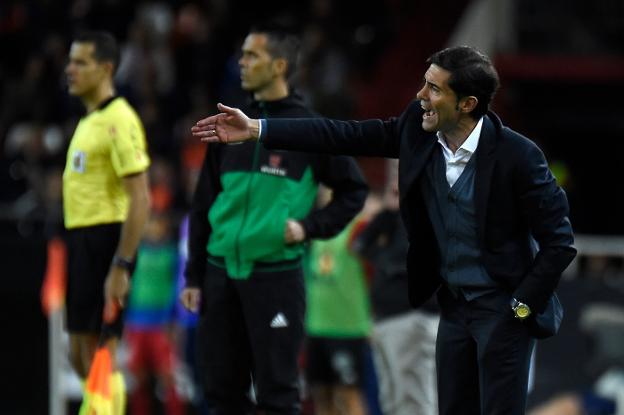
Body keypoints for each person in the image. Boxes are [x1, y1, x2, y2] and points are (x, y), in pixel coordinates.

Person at [191, 45, 577, 415]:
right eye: (425, 82)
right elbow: (341, 134)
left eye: (434, 88)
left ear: (467, 104)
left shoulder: (520, 156)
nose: (420, 94)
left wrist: (521, 306)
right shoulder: (417, 129)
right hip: (455, 308)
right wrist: (259, 128)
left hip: (504, 308)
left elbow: (559, 242)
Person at [180, 24, 368, 414]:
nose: (242, 62)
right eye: (242, 54)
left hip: (275, 279)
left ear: (279, 65)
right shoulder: (229, 122)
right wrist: (195, 275)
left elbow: (354, 190)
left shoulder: (308, 129)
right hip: (219, 276)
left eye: (253, 55)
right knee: (219, 394)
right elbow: (203, 205)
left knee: (278, 397)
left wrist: (309, 227)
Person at [63, 30, 151, 409]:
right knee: (80, 352)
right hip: (82, 239)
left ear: (106, 68)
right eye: (71, 61)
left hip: (106, 241)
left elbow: (141, 198)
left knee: (101, 349)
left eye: (81, 62)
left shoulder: (119, 119)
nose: (70, 69)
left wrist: (121, 264)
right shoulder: (89, 121)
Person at [353, 159, 439, 415]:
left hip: (412, 320)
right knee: (392, 402)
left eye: (399, 170)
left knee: (415, 402)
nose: (394, 178)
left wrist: (388, 264)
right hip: (388, 320)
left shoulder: (430, 207)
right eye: (392, 170)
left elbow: (410, 259)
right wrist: (388, 212)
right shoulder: (396, 214)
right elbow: (359, 246)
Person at [303, 188, 375, 415]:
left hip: (348, 328)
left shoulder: (359, 227)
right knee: (321, 396)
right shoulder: (316, 230)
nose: (325, 194)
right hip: (316, 326)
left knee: (350, 396)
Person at [124, 212, 184, 415]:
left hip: (161, 324)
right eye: (149, 223)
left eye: (157, 224)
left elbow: (177, 287)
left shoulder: (171, 254)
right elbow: (128, 286)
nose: (153, 228)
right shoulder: (135, 252)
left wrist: (172, 318)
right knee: (138, 378)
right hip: (136, 323)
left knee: (167, 378)